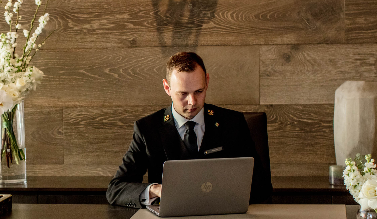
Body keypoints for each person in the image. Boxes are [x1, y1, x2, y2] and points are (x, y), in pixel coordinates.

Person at [106, 51, 272, 208]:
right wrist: (155, 189)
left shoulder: (232, 123)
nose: (192, 101)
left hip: (223, 218)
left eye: (199, 91)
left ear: (207, 82)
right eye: (183, 94)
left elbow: (262, 187)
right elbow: (116, 189)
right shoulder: (147, 129)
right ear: (167, 88)